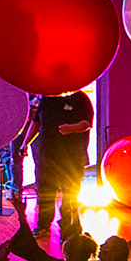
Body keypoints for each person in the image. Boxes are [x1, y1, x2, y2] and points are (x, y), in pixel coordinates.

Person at [29, 89, 93, 237]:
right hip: (47, 156)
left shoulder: (81, 99)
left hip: (72, 158)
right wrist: (25, 143)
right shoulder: (48, 97)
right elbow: (37, 122)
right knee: (45, 193)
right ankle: (43, 226)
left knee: (70, 195)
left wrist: (71, 128)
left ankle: (69, 228)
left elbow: (87, 123)